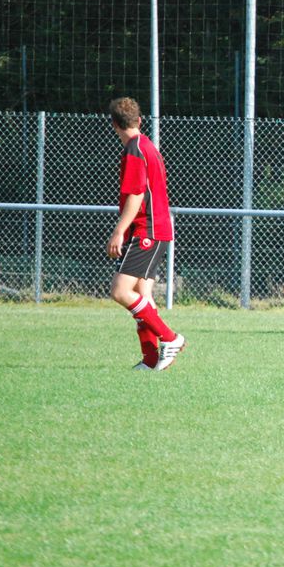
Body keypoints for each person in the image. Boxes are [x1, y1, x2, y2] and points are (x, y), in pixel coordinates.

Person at [105, 97, 185, 371]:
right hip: (158, 229)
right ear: (139, 121)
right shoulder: (148, 145)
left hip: (146, 231)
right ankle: (150, 360)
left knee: (120, 291)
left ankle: (171, 338)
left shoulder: (135, 150)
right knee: (142, 295)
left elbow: (137, 194)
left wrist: (119, 231)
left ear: (114, 124)